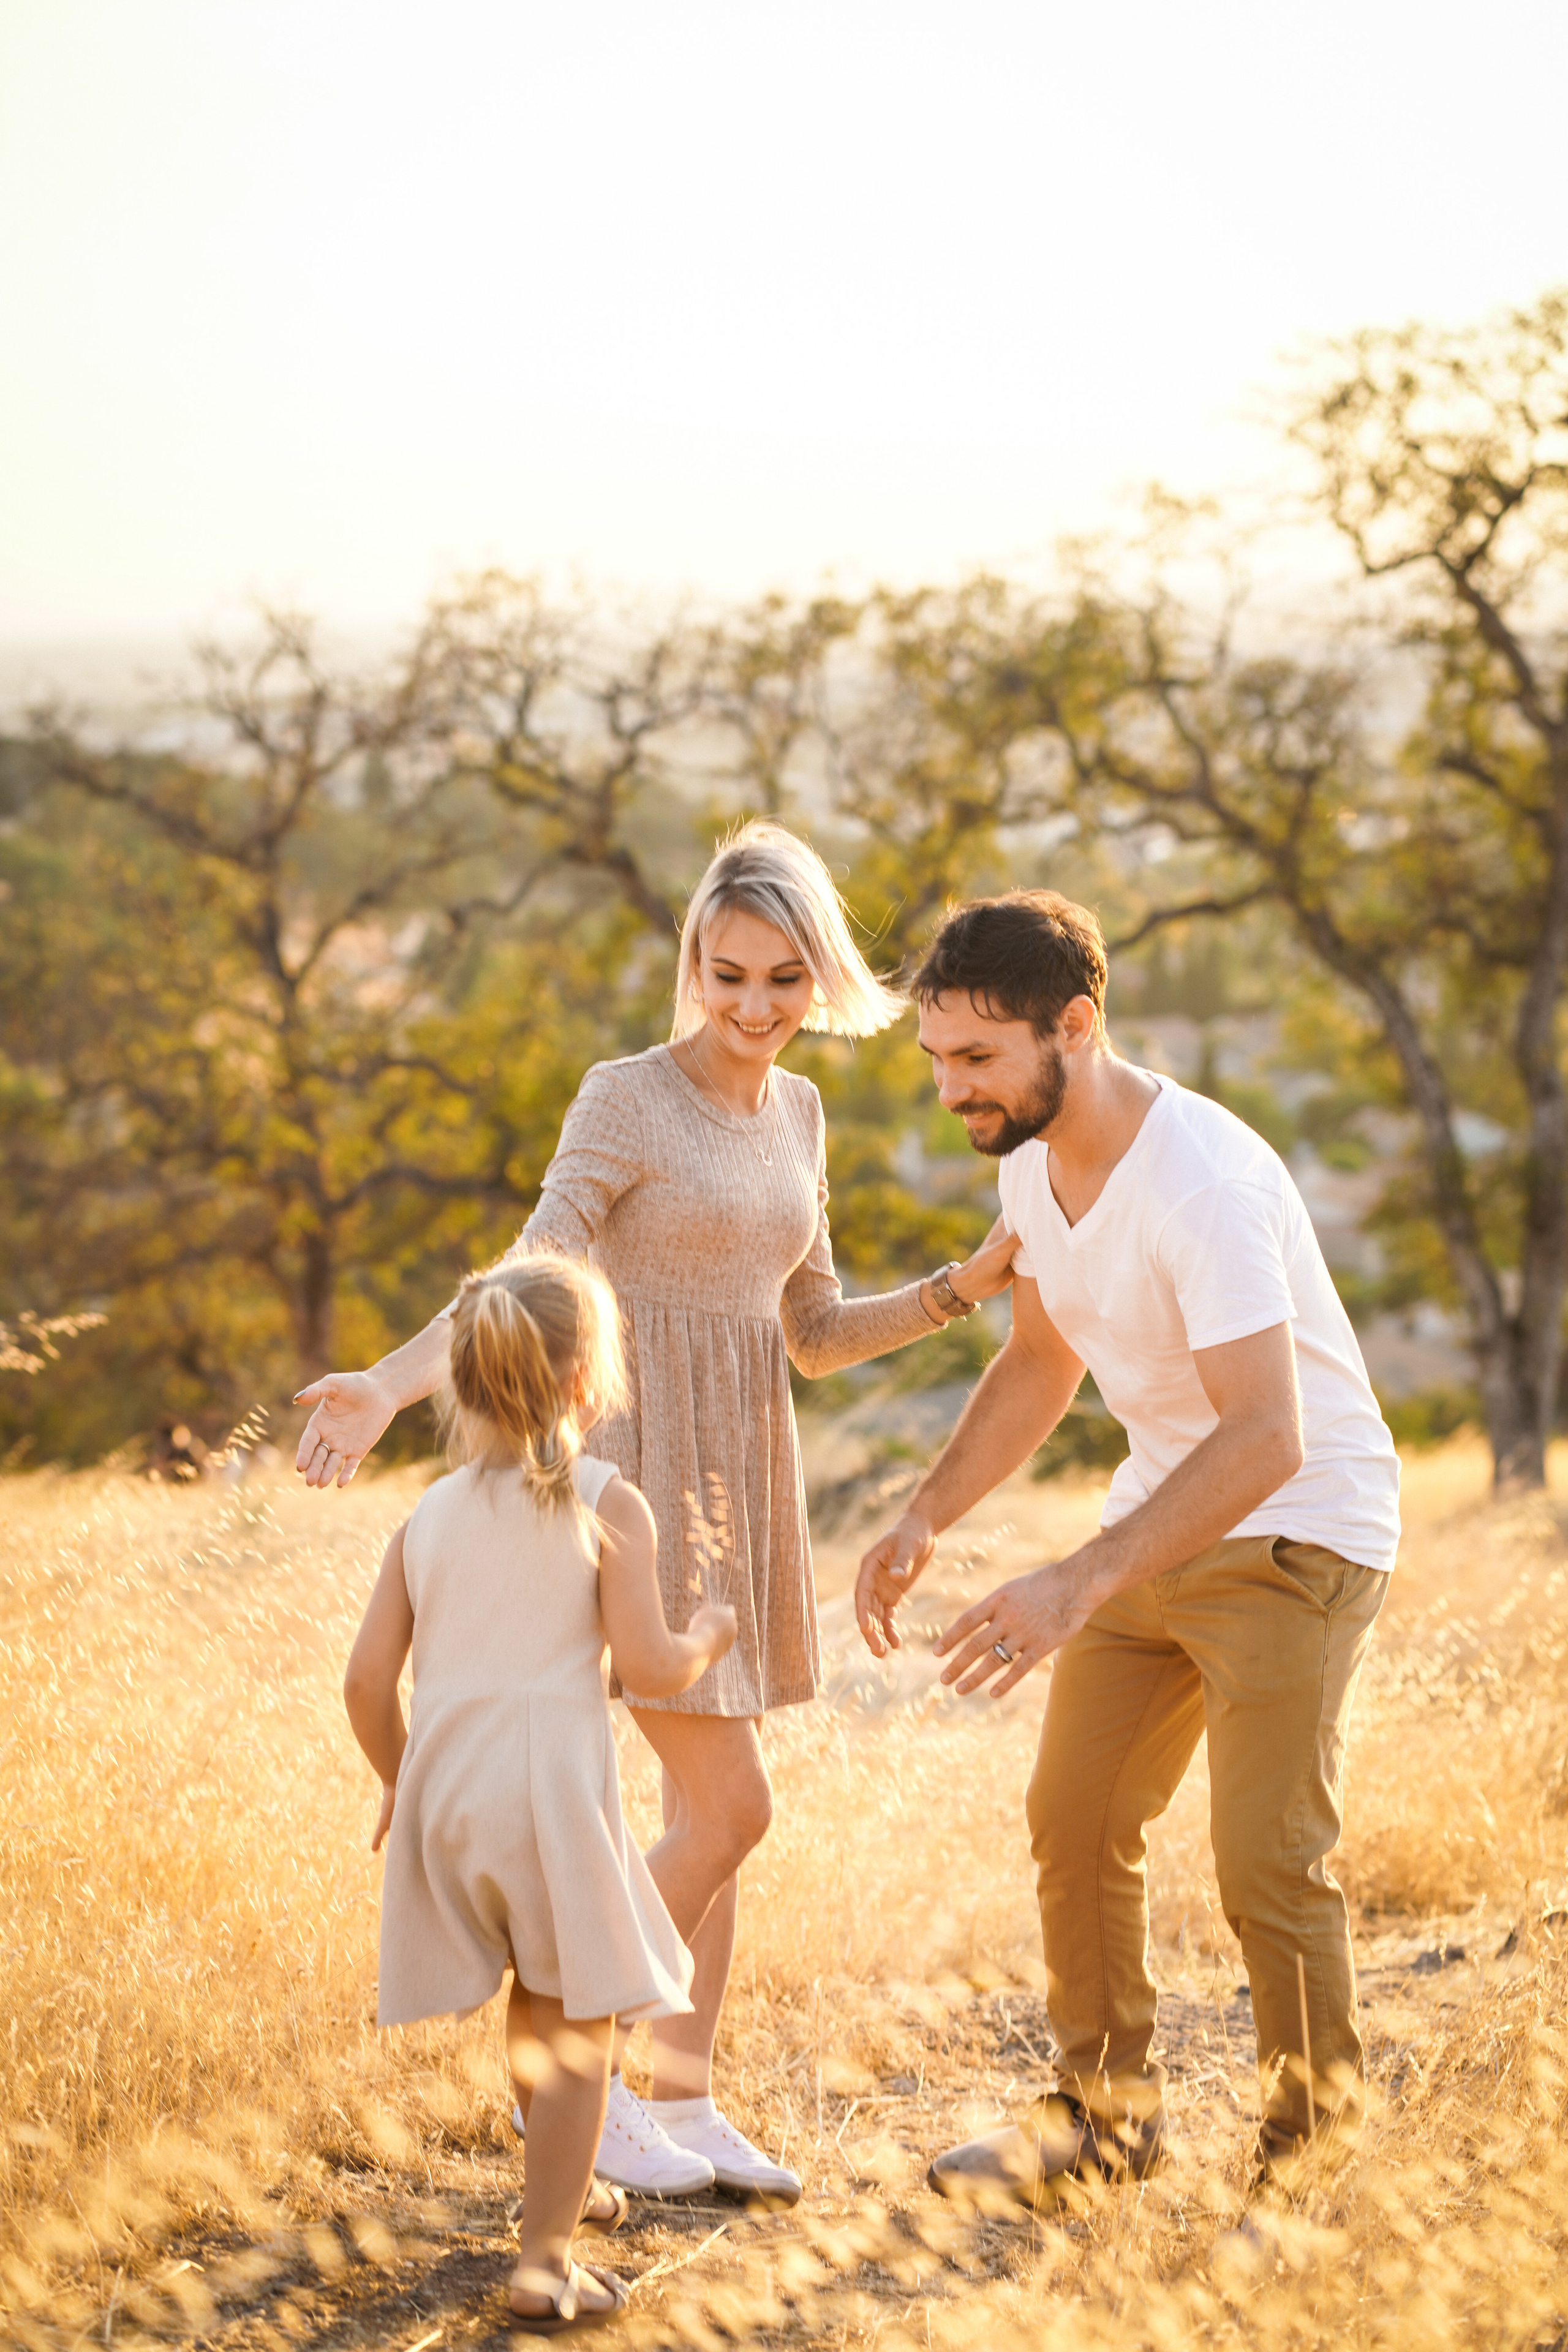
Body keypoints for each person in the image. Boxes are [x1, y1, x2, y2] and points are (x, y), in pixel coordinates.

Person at [301, 820, 1017, 2203]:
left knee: (712, 1806)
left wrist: (953, 1291)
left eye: (782, 981)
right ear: (692, 956)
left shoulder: (799, 1114)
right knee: (731, 1808)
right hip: (626, 1473)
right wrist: (393, 1390)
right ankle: (571, 2065)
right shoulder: (622, 1096)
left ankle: (681, 2103)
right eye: (727, 973)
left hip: (741, 1472)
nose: (752, 1009)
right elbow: (532, 1265)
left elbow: (805, 1329)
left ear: (819, 982)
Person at [854, 890, 1400, 2197]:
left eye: (975, 1059)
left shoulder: (1197, 1183)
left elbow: (1267, 1436)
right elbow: (1039, 1361)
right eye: (936, 1060)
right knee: (1075, 1813)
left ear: (1075, 1026)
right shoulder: (1027, 1160)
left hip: (1296, 1530)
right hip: (1162, 1519)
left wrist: (1076, 1578)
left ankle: (1312, 2167)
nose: (950, 1091)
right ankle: (1102, 2125)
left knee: (1265, 1856)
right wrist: (926, 1511)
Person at [342, 1254, 736, 2330]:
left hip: (448, 1790)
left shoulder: (423, 1516)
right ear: (584, 1383)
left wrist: (397, 1778)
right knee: (575, 2023)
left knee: (534, 1995)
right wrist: (707, 1634)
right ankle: (544, 2264)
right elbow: (650, 1669)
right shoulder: (607, 1500)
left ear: (462, 1382)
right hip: (547, 1791)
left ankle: (570, 2184)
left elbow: (366, 1682)